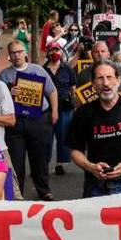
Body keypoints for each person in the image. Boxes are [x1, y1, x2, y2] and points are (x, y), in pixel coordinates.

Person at [66, 61, 121, 197]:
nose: (106, 83)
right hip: (95, 187)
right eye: (100, 78)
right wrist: (91, 167)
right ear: (93, 84)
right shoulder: (83, 113)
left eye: (109, 77)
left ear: (119, 81)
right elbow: (75, 151)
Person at [0, 40, 59, 201]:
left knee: (39, 157)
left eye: (19, 52)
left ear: (25, 52)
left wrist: (54, 111)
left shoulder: (38, 70)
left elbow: (52, 91)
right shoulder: (4, 75)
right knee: (16, 159)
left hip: (39, 118)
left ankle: (44, 190)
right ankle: (17, 193)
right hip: (15, 121)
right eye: (13, 53)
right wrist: (9, 92)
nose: (17, 55)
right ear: (9, 56)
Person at [43, 42, 77, 176]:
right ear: (47, 53)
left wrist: (74, 100)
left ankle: (60, 164)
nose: (54, 53)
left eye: (57, 50)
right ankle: (43, 163)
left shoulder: (67, 68)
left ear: (61, 52)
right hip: (47, 108)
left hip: (65, 106)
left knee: (63, 135)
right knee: (46, 138)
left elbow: (73, 86)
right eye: (51, 50)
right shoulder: (43, 69)